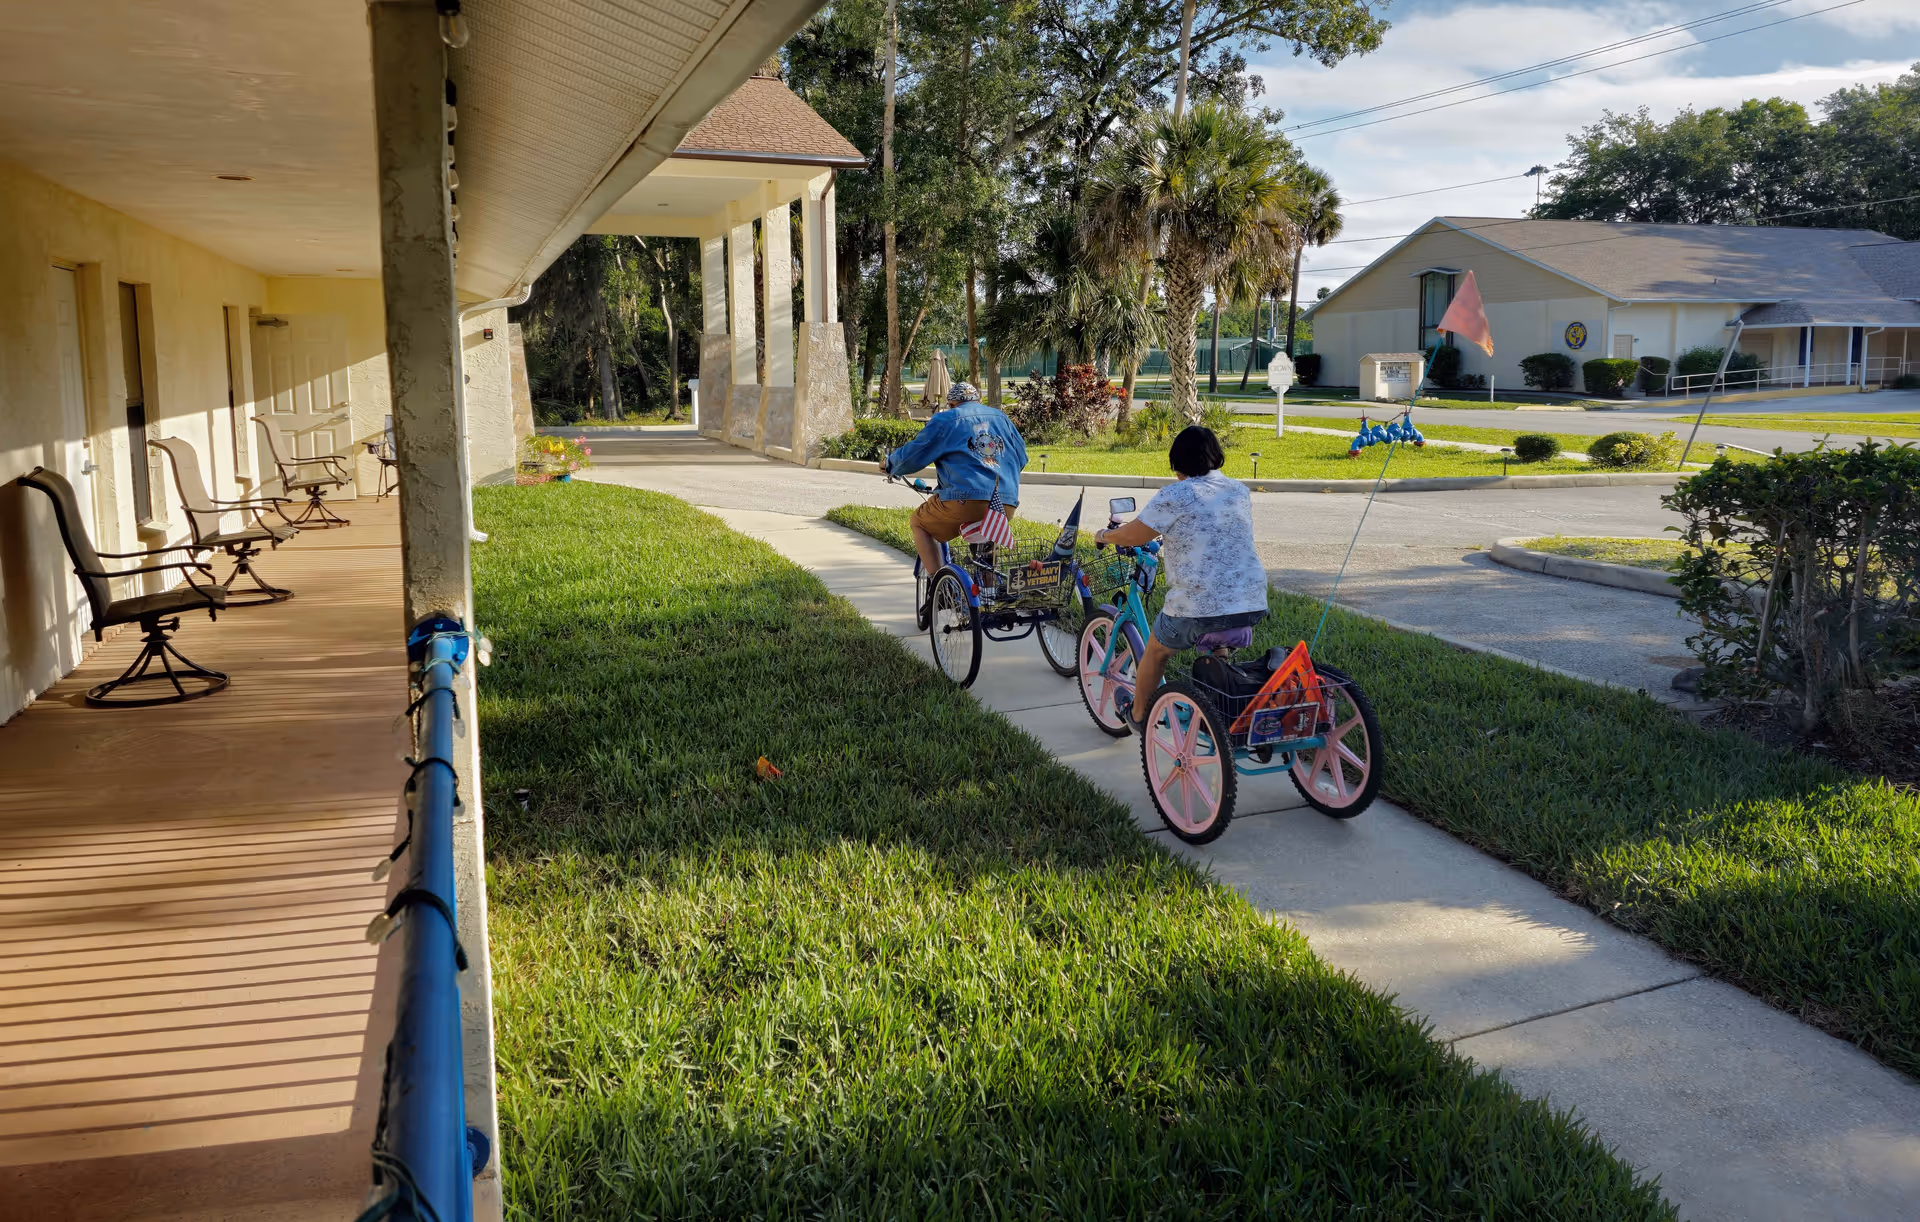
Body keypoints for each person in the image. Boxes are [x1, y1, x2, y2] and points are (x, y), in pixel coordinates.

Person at [1092, 425, 1267, 730]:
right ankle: (1219, 698)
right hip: (1250, 602)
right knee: (1216, 628)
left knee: (1157, 649)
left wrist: (1105, 535)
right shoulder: (1238, 489)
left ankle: (1137, 716)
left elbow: (1132, 535)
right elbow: (1210, 529)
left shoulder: (1176, 493)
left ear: (1177, 464)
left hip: (1197, 606)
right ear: (1216, 456)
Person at [880, 381, 1028, 626]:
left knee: (919, 522)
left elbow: (915, 454)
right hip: (1005, 501)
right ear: (977, 400)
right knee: (987, 530)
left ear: (951, 403)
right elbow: (1022, 457)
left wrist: (890, 464)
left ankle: (941, 587)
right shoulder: (1001, 418)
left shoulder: (947, 419)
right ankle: (989, 593)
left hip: (963, 500)